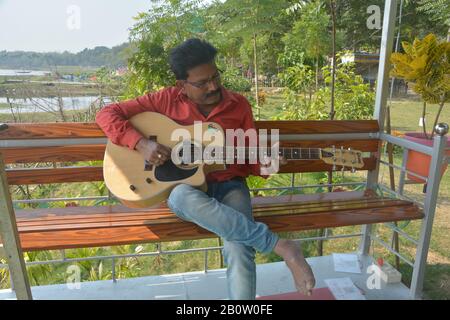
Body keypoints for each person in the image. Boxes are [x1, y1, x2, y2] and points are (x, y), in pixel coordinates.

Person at [96, 38, 315, 300]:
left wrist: (267, 164)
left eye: (215, 77)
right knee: (179, 196)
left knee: (239, 245)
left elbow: (250, 159)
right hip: (187, 192)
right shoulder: (165, 100)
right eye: (202, 83)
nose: (213, 86)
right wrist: (141, 144)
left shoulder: (239, 105)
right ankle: (280, 246)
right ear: (182, 85)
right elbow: (107, 114)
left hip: (230, 184)